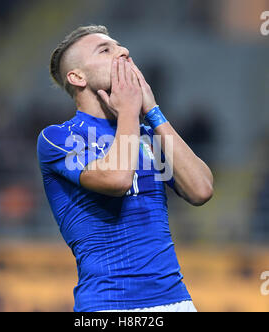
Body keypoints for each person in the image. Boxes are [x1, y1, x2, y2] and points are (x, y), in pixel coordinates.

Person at [37, 25, 213, 312]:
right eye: (105, 50)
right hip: (109, 304)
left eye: (120, 47)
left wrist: (153, 112)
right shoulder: (58, 137)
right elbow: (118, 179)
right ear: (77, 76)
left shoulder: (146, 134)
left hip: (176, 300)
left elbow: (201, 190)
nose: (123, 52)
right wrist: (130, 111)